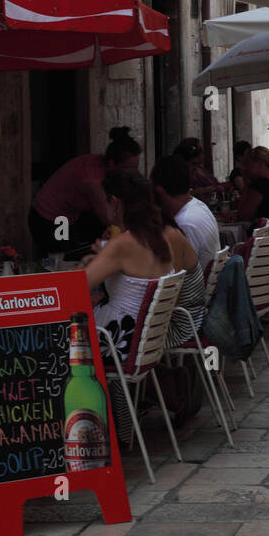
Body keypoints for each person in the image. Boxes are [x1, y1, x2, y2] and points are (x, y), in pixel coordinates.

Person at [86, 169, 204, 362]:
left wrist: (88, 261)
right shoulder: (162, 235)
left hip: (123, 340)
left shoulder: (122, 244)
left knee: (59, 336)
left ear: (114, 202)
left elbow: (77, 287)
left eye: (104, 201)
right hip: (150, 336)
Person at [30, 127, 141, 256]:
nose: (134, 174)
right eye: (128, 168)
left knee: (73, 251)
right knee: (59, 259)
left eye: (135, 168)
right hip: (51, 218)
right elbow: (110, 219)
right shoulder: (91, 178)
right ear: (112, 164)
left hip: (70, 216)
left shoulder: (109, 171)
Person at [152, 155, 221, 274]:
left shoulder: (184, 222)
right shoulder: (198, 205)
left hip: (196, 288)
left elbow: (175, 274)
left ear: (159, 191)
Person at [172, 138, 222, 205]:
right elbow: (178, 195)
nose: (203, 153)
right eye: (200, 150)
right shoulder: (182, 172)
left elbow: (217, 185)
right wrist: (202, 190)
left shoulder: (201, 169)